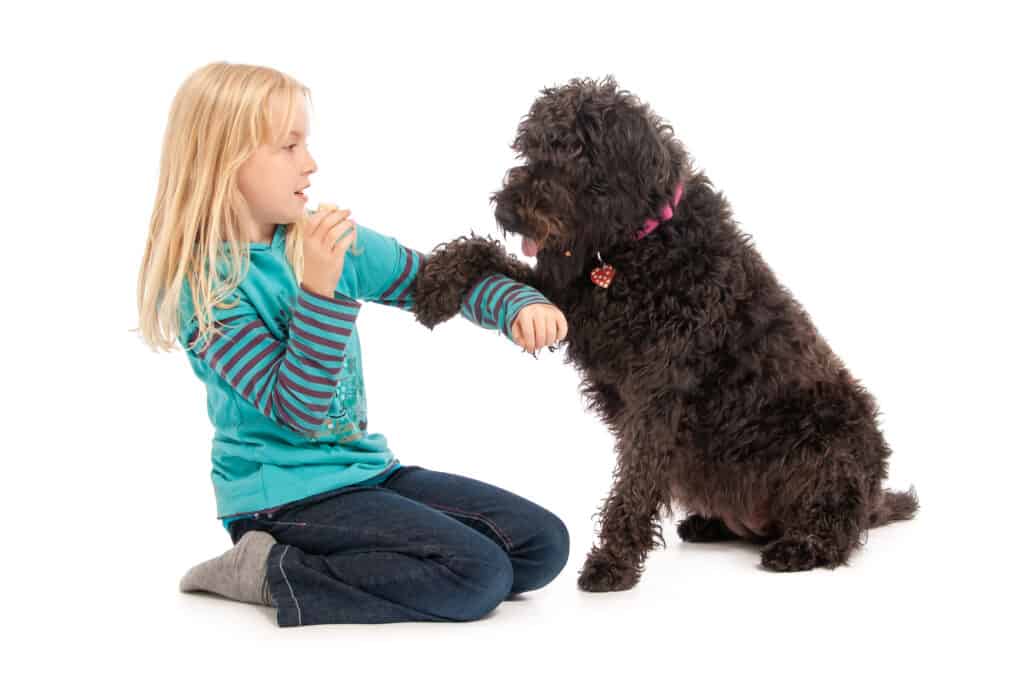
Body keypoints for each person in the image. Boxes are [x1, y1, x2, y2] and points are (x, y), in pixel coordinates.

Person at [135, 61, 570, 627]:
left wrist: (517, 304)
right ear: (227, 161)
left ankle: (365, 554)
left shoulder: (316, 239)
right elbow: (299, 410)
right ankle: (269, 571)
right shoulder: (205, 287)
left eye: (306, 144)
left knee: (541, 546)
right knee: (477, 576)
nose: (310, 164)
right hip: (283, 499)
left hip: (365, 471)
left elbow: (433, 280)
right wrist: (321, 288)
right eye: (289, 146)